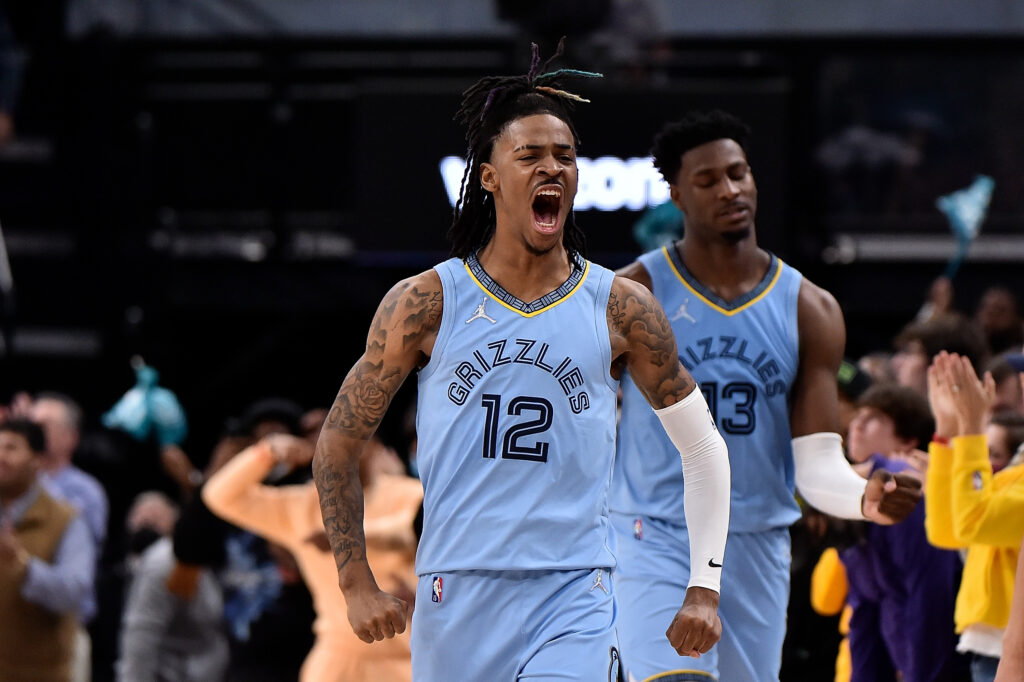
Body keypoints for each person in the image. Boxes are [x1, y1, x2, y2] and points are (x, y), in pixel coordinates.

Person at [312, 41, 732, 682]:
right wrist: (355, 580)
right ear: (489, 176)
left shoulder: (621, 307)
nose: (552, 168)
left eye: (565, 156)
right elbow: (337, 447)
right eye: (529, 155)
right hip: (457, 590)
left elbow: (703, 447)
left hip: (575, 591)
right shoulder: (426, 302)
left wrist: (704, 586)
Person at [609, 110, 923, 682]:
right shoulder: (635, 291)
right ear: (677, 194)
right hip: (655, 536)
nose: (730, 189)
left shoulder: (811, 307)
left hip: (758, 543)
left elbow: (816, 462)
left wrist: (863, 499)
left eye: (738, 173)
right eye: (708, 180)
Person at [204, 433, 421, 682]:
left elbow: (415, 531)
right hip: (337, 660)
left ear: (373, 445)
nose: (338, 449)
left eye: (348, 435)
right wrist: (265, 452)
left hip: (405, 660)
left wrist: (348, 538)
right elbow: (219, 497)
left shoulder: (409, 496)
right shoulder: (299, 506)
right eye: (325, 440)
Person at [925, 352, 1024, 682]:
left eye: (992, 453)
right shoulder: (1016, 474)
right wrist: (948, 429)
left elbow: (973, 519)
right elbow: (948, 531)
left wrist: (971, 429)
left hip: (1010, 652)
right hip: (990, 649)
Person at [0, 418, 95, 682]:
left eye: (11, 448)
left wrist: (22, 566)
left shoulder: (67, 520)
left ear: (37, 459)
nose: (1, 456)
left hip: (37, 674)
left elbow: (74, 592)